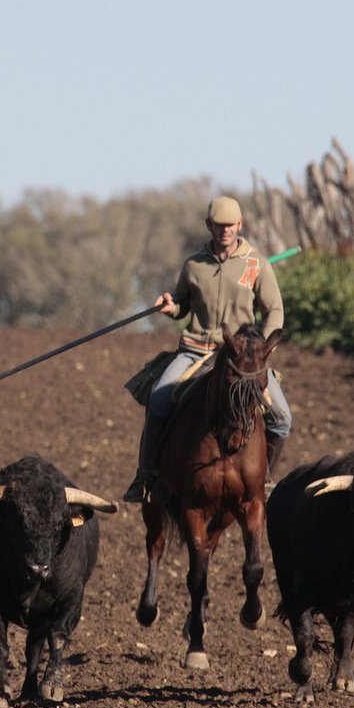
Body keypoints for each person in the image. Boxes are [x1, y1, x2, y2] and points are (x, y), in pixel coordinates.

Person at [122, 196, 291, 503]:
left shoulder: (258, 265)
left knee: (282, 418)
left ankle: (264, 481)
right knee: (160, 399)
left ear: (240, 225)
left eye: (230, 225)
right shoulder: (194, 265)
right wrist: (170, 306)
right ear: (208, 225)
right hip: (195, 351)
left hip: (241, 358)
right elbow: (182, 304)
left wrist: (259, 350)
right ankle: (147, 477)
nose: (224, 230)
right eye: (218, 225)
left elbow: (274, 312)